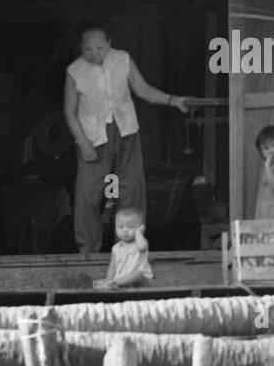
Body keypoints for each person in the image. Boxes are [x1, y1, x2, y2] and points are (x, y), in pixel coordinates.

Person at [63, 16, 190, 257]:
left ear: (109, 42)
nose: (94, 53)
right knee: (87, 196)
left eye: (100, 47)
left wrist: (174, 101)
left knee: (132, 190)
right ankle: (88, 251)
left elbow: (144, 90)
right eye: (88, 48)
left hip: (126, 130)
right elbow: (68, 111)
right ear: (80, 47)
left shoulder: (123, 59)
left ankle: (130, 248)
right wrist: (83, 144)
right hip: (92, 137)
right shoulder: (75, 71)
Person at [93, 208, 154, 290]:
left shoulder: (140, 242)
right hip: (122, 281)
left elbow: (142, 247)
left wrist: (139, 233)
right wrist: (108, 279)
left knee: (136, 274)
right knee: (107, 280)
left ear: (140, 228)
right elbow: (113, 266)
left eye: (131, 227)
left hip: (141, 281)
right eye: (120, 227)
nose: (125, 230)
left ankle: (112, 284)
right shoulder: (116, 248)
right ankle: (110, 284)